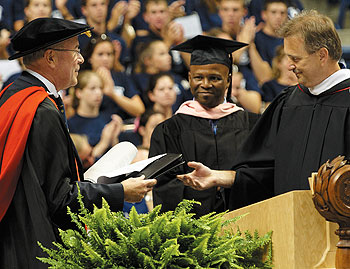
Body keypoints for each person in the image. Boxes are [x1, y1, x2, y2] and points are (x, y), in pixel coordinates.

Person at [0, 18, 156, 268]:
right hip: (33, 247)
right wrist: (121, 192)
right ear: (50, 57)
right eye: (76, 50)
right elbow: (60, 198)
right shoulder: (41, 109)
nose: (81, 59)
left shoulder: (13, 94)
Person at [177, 10, 350, 211]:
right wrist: (222, 177)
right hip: (289, 226)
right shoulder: (288, 102)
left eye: (296, 59)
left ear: (322, 55)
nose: (289, 66)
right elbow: (266, 171)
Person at [149, 35, 260, 216]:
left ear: (228, 80)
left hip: (245, 223)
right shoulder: (169, 130)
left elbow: (260, 177)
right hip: (193, 233)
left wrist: (226, 184)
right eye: (198, 77)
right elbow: (165, 186)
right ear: (189, 78)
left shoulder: (252, 125)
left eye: (215, 78)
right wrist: (206, 193)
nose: (205, 84)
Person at [68, 70, 123, 167]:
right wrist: (104, 142)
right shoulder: (70, 124)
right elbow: (82, 162)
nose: (98, 93)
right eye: (92, 88)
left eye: (100, 88)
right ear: (79, 93)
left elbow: (118, 158)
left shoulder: (109, 119)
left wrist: (114, 139)